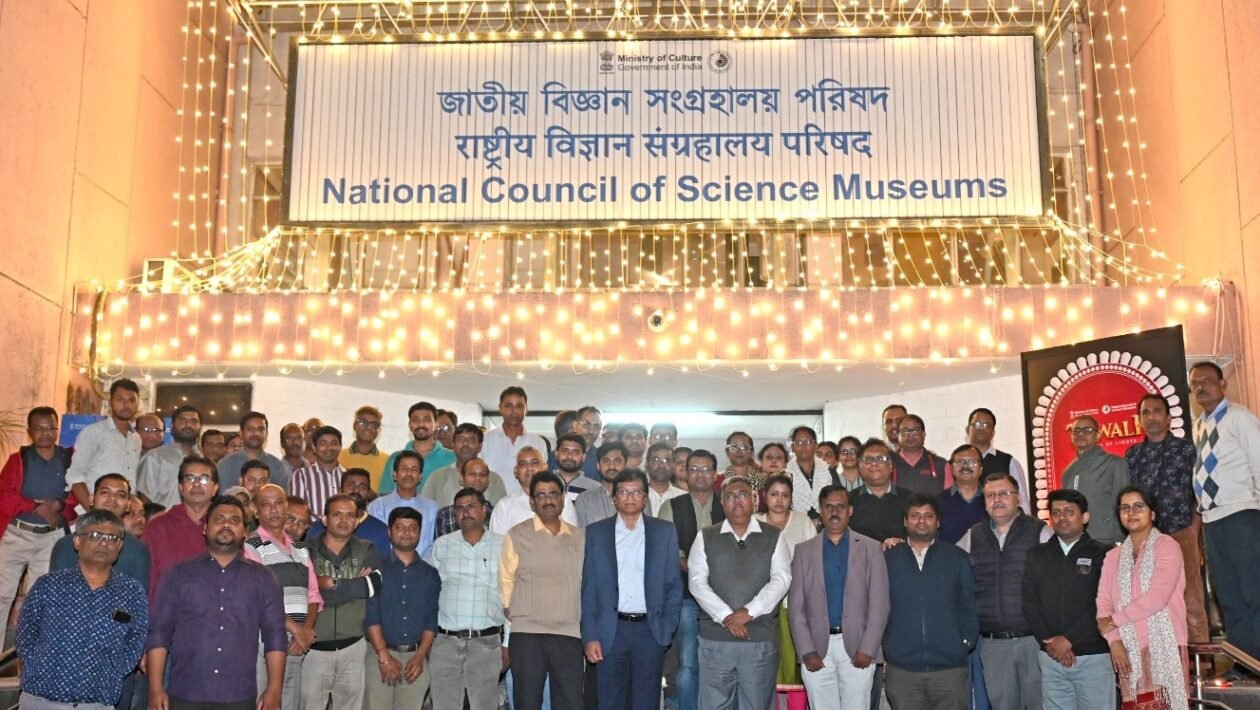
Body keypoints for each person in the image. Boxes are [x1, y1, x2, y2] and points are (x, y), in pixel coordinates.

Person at [17, 509, 148, 710]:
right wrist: (37, 668)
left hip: (96, 704)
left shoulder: (131, 592)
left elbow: (135, 640)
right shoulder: (49, 585)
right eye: (95, 535)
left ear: (120, 546)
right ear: (77, 541)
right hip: (41, 700)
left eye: (112, 538)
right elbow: (26, 633)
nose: (104, 543)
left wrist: (111, 673)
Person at [581, 469, 683, 710]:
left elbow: (673, 584)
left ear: (645, 498)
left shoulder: (664, 531)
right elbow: (589, 589)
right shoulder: (597, 532)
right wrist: (591, 635)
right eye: (624, 492)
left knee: (646, 702)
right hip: (610, 630)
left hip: (650, 630)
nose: (630, 497)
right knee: (609, 701)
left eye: (636, 492)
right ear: (614, 497)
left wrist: (667, 627)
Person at [688, 476, 792, 710]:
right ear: (722, 502)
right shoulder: (705, 536)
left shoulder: (774, 536)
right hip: (716, 640)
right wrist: (727, 616)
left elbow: (782, 579)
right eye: (730, 496)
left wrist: (749, 612)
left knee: (757, 705)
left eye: (743, 494)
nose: (737, 500)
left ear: (754, 500)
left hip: (759, 639)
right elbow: (696, 583)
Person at [788, 486, 890, 710]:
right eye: (829, 507)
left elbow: (880, 605)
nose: (834, 512)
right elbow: (796, 608)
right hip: (816, 650)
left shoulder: (871, 548)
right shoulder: (804, 551)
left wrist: (868, 648)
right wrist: (806, 650)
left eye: (840, 507)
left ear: (850, 510)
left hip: (858, 648)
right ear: (821, 511)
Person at [958, 473, 1054, 710]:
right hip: (993, 645)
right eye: (990, 495)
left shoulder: (1040, 532)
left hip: (1035, 642)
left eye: (1004, 493)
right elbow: (950, 569)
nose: (997, 500)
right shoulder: (973, 536)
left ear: (1018, 498)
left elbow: (1058, 584)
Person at [1188, 361, 1260, 662]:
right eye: (1195, 383)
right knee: (1229, 596)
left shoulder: (1240, 418)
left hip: (1243, 515)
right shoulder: (1199, 425)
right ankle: (1244, 662)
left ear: (1223, 384)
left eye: (1207, 380)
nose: (1200, 387)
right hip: (1213, 520)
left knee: (1253, 592)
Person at [882, 494, 979, 710]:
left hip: (949, 669)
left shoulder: (956, 557)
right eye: (915, 515)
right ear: (905, 521)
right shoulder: (889, 559)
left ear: (938, 522)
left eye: (928, 516)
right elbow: (878, 608)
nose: (921, 521)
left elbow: (969, 605)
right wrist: (887, 646)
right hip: (902, 670)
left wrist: (964, 643)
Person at [1125, 393, 1208, 644]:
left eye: (1157, 411)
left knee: (1191, 601)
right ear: (1140, 420)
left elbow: (1200, 490)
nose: (1151, 416)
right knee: (1152, 605)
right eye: (1145, 412)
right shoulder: (1133, 455)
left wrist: (1193, 530)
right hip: (1147, 540)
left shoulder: (1186, 449)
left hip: (1183, 532)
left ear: (1169, 418)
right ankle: (1162, 662)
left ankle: (1199, 662)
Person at [500, 471, 586, 710]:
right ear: (532, 501)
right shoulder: (517, 534)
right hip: (527, 634)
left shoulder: (580, 538)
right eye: (541, 495)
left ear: (563, 499)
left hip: (569, 634)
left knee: (571, 703)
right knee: (527, 702)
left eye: (553, 494)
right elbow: (506, 578)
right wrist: (509, 607)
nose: (548, 500)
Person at [1097, 485, 1188, 709]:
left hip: (1164, 646)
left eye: (1138, 506)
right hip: (1127, 650)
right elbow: (1104, 603)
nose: (1131, 512)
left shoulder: (1167, 546)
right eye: (1125, 508)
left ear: (1153, 513)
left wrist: (1115, 621)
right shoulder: (1112, 557)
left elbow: (1158, 597)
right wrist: (1114, 642)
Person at [1022, 489, 1114, 710]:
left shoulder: (1104, 554)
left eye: (1069, 511)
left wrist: (1069, 639)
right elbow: (1030, 603)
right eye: (1056, 512)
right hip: (1051, 657)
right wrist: (1050, 643)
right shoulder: (1036, 554)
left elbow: (1104, 604)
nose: (1062, 517)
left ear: (1085, 517)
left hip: (1093, 656)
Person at [243, 484, 324, 710]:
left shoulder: (301, 549)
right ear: (256, 511)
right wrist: (297, 630)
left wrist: (305, 632)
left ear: (286, 506)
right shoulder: (250, 545)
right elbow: (260, 598)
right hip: (264, 644)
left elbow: (314, 594)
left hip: (296, 645)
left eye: (278, 503)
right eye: (266, 505)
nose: (274, 509)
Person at [429, 487, 506, 710]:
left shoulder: (504, 545)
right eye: (459, 509)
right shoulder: (442, 545)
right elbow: (430, 592)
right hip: (446, 642)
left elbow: (512, 595)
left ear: (484, 510)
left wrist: (507, 643)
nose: (465, 512)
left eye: (471, 506)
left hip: (486, 643)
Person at [303, 494, 382, 710]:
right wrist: (355, 587)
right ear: (325, 519)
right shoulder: (305, 550)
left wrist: (329, 583)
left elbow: (372, 587)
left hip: (353, 647)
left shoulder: (367, 549)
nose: (344, 520)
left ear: (357, 521)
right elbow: (303, 591)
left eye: (350, 515)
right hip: (314, 648)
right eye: (337, 514)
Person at [658, 449, 724, 710]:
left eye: (706, 469)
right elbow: (668, 550)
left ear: (715, 474)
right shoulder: (672, 506)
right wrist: (693, 566)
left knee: (721, 664)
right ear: (685, 472)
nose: (700, 474)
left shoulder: (728, 504)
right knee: (687, 664)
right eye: (694, 469)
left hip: (724, 599)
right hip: (686, 598)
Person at [0, 406, 71, 626]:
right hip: (16, 536)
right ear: (30, 432)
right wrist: (35, 507)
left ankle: (28, 649)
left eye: (50, 428)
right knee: (2, 596)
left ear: (57, 429)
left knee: (38, 601)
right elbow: (3, 495)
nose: (45, 433)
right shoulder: (18, 460)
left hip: (50, 539)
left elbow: (77, 496)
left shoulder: (68, 458)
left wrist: (58, 504)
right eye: (39, 428)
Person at [756, 474, 820, 687]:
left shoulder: (803, 522)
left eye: (785, 495)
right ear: (765, 496)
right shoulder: (754, 522)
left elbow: (812, 564)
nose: (779, 500)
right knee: (765, 662)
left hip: (794, 602)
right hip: (760, 603)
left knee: (792, 661)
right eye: (774, 494)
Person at [50, 474, 150, 585]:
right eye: (105, 492)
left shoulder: (136, 550)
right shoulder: (66, 545)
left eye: (121, 495)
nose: (112, 498)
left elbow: (138, 593)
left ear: (128, 506)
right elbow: (55, 590)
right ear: (91, 499)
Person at [145, 455, 220, 596]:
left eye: (204, 479)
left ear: (215, 488)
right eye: (189, 478)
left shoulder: (225, 528)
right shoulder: (158, 527)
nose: (196, 484)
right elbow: (149, 579)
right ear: (181, 487)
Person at [68, 379, 142, 506]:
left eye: (131, 400)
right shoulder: (94, 432)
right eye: (120, 400)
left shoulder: (136, 438)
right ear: (110, 402)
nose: (126, 405)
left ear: (137, 403)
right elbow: (75, 475)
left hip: (124, 511)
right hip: (97, 510)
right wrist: (92, 510)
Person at [1061, 415, 1130, 545]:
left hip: (1106, 542)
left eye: (1087, 430)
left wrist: (1120, 541)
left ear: (1098, 435)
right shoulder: (1068, 472)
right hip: (1075, 542)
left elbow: (1124, 505)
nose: (1081, 433)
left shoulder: (1115, 464)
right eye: (1076, 430)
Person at [367, 451, 440, 560]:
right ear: (395, 475)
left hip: (422, 565)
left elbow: (433, 544)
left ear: (420, 476)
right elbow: (374, 542)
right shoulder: (377, 506)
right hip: (385, 565)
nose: (409, 473)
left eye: (414, 469)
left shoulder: (432, 508)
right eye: (404, 469)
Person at [490, 446, 574, 534]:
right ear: (516, 471)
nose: (529, 468)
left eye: (534, 463)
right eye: (523, 464)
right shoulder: (504, 507)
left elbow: (572, 538)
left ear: (545, 467)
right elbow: (497, 541)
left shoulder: (563, 501)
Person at [422, 423, 509, 507]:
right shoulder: (437, 477)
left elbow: (500, 513)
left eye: (471, 440)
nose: (465, 444)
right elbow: (425, 509)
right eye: (460, 439)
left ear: (480, 446)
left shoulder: (494, 480)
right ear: (453, 445)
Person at [482, 387, 549, 496]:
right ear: (500, 408)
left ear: (526, 409)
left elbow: (541, 478)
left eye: (519, 406)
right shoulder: (485, 440)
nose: (513, 411)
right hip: (492, 502)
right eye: (509, 405)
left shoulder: (538, 443)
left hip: (529, 503)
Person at [307, 469, 391, 554]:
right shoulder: (318, 528)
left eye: (363, 487)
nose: (356, 490)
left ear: (369, 493)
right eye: (351, 485)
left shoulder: (380, 530)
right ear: (340, 490)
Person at [382, 402, 456, 494]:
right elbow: (385, 495)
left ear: (435, 425)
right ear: (410, 425)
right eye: (416, 420)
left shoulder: (452, 458)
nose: (421, 424)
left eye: (427, 419)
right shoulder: (394, 458)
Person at [966, 408, 1031, 513]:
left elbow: (1022, 502)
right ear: (967, 429)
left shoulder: (1009, 462)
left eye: (986, 425)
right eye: (977, 424)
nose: (981, 428)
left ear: (993, 433)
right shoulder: (958, 463)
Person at [848, 439, 913, 544]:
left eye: (881, 459)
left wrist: (903, 542)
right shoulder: (848, 500)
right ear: (860, 467)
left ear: (891, 466)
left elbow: (922, 534)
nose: (874, 463)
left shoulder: (910, 499)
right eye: (868, 459)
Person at [138, 404, 202, 508]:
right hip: (163, 518)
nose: (188, 425)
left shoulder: (203, 461)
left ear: (199, 428)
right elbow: (145, 499)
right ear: (172, 427)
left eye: (193, 421)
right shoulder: (155, 457)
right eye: (182, 420)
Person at [217, 411, 289, 491]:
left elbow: (282, 496)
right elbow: (224, 497)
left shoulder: (277, 466)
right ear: (241, 433)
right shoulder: (225, 465)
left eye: (261, 429)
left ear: (266, 434)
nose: (256, 433)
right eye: (250, 429)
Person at [291, 425, 346, 524]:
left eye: (334, 443)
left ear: (340, 447)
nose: (329, 448)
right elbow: (297, 510)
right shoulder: (301, 475)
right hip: (313, 531)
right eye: (323, 444)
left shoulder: (348, 476)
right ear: (314, 448)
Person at [937, 444, 988, 544]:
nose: (965, 466)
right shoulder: (937, 502)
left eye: (972, 462)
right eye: (960, 462)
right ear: (951, 468)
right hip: (949, 554)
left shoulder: (992, 500)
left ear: (981, 469)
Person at [433, 458, 496, 537]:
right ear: (461, 479)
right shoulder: (445, 515)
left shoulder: (496, 513)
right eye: (472, 474)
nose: (478, 478)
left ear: (488, 482)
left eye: (482, 475)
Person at [892, 414, 950, 496]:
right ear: (898, 436)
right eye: (904, 431)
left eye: (915, 430)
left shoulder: (941, 464)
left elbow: (950, 499)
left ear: (923, 434)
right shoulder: (889, 464)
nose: (910, 435)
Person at [574, 441, 629, 527]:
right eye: (606, 461)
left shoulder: (638, 497)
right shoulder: (584, 500)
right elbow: (581, 533)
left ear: (626, 465)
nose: (611, 466)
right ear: (598, 466)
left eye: (617, 461)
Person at [788, 426, 834, 519]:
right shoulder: (786, 476)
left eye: (808, 442)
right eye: (799, 442)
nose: (803, 446)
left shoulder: (829, 471)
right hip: (797, 523)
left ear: (816, 446)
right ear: (792, 447)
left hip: (828, 523)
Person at [340, 406, 390, 490]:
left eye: (373, 424)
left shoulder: (388, 461)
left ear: (378, 430)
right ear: (354, 426)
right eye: (363, 423)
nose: (368, 428)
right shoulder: (339, 456)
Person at [645, 442, 686, 516]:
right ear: (646, 465)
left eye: (667, 461)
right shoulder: (636, 496)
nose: (661, 465)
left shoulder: (685, 498)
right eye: (656, 460)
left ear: (673, 467)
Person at [577, 406, 606, 481]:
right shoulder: (557, 457)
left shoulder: (603, 458)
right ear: (576, 425)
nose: (591, 431)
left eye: (596, 426)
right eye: (586, 424)